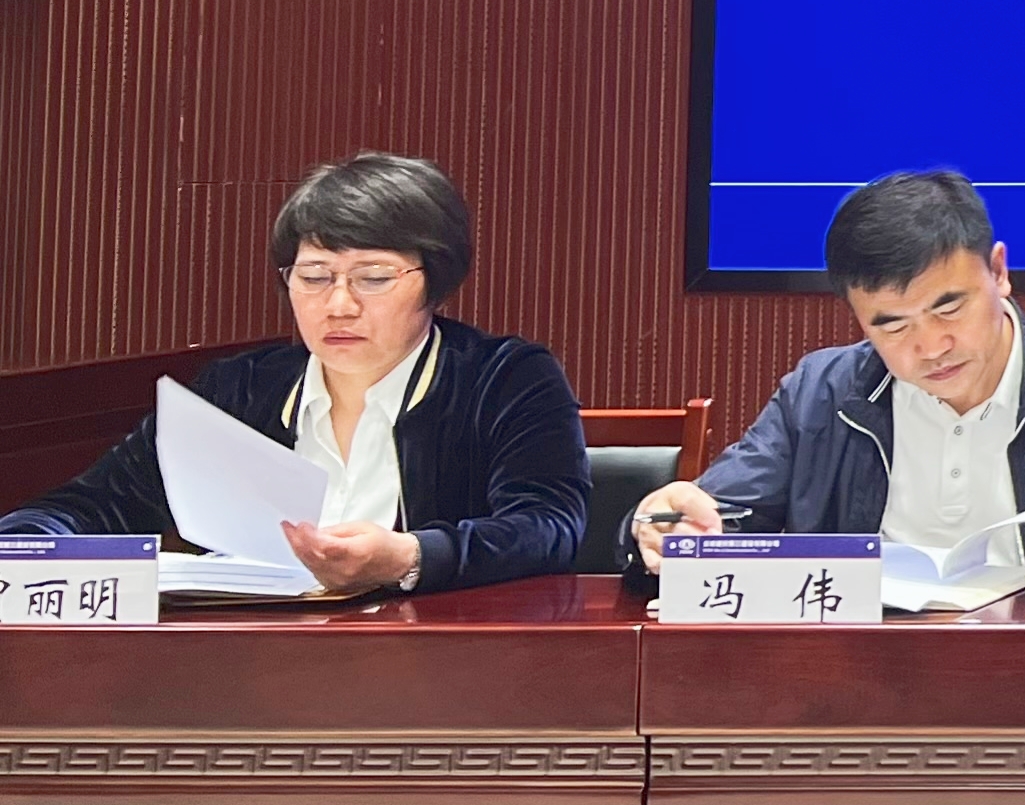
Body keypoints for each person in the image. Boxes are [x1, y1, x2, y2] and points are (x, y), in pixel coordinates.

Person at [2, 153, 587, 593]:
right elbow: (95, 504)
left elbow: (548, 526)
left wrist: (411, 557)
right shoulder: (238, 390)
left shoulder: (504, 379)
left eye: (373, 278)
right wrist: (21, 546)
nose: (339, 305)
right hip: (251, 664)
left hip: (436, 665)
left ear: (433, 282)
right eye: (314, 277)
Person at [630, 170, 1025, 586]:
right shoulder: (822, 392)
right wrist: (662, 526)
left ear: (998, 272)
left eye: (949, 308)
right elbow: (718, 522)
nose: (931, 347)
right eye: (893, 325)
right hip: (856, 673)